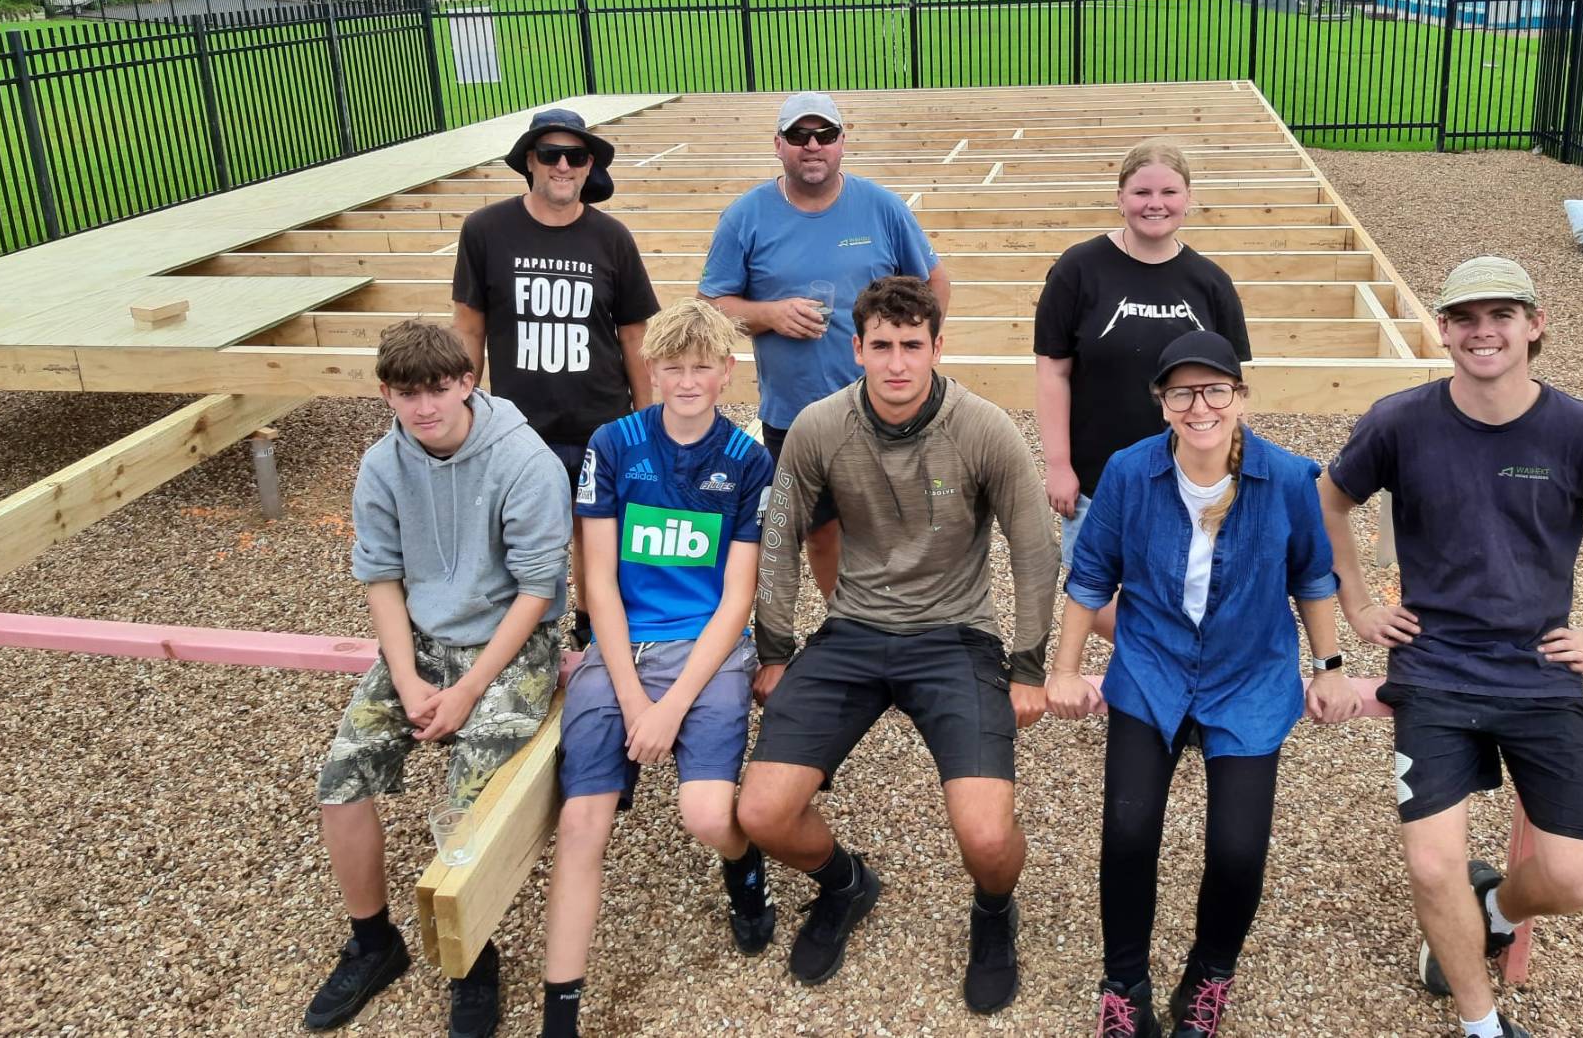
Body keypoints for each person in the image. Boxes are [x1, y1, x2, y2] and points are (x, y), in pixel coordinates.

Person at [1318, 256, 1583, 1038]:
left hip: (1539, 674)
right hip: (1436, 669)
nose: (1482, 332)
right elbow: (1328, 501)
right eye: (1464, 318)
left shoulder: (1580, 430)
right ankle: (1481, 1024)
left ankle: (1493, 908)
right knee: (1431, 864)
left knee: (1576, 880)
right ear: (1443, 330)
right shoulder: (1399, 422)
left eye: (1501, 316)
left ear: (1534, 325)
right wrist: (1358, 604)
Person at [736, 276, 1057, 1015]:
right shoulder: (820, 426)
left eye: (913, 345)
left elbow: (1035, 547)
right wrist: (776, 650)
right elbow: (779, 537)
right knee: (763, 814)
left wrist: (1029, 665)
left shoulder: (984, 429)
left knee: (986, 836)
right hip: (853, 630)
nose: (897, 362)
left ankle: (993, 912)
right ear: (857, 349)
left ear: (938, 347)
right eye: (881, 346)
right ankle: (846, 884)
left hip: (955, 636)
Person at [1048, 331, 1360, 1037]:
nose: (1200, 407)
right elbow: (1090, 576)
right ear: (1162, 404)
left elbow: (1313, 576)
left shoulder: (1286, 479)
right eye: (1183, 393)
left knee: (1238, 849)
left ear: (1240, 397)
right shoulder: (1130, 472)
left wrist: (1330, 668)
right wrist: (1064, 671)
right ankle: (1124, 984)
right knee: (1128, 831)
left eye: (1215, 389)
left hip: (1248, 676)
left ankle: (1210, 975)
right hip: (1153, 668)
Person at [306, 321, 570, 1037]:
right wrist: (406, 677)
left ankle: (472, 959)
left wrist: (468, 690)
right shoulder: (381, 466)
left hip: (513, 644)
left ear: (466, 383)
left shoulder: (525, 461)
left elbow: (536, 591)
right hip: (421, 641)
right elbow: (381, 578)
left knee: (467, 801)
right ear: (386, 394)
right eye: (407, 394)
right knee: (341, 779)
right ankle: (373, 942)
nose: (424, 407)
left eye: (438, 389)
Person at [540, 299, 778, 1038]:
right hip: (623, 646)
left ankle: (743, 867)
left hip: (706, 648)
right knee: (582, 820)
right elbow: (599, 583)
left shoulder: (747, 461)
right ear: (651, 368)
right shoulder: (614, 444)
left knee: (706, 814)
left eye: (701, 367)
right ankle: (560, 1011)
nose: (686, 381)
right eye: (672, 367)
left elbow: (736, 599)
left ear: (726, 372)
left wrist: (668, 708)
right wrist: (631, 694)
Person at [699, 90, 949, 606]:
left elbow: (934, 284)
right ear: (778, 145)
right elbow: (710, 306)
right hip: (796, 414)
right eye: (798, 136)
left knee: (899, 521)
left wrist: (918, 357)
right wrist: (768, 314)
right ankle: (849, 619)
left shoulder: (881, 207)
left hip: (887, 407)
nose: (812, 146)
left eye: (824, 135)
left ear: (842, 142)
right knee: (820, 529)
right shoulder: (746, 217)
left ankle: (906, 617)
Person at [452, 105, 660, 629]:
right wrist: (463, 408)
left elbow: (634, 334)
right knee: (522, 536)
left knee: (597, 534)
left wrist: (645, 420)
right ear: (529, 161)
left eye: (576, 156)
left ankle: (590, 630)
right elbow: (469, 328)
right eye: (550, 154)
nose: (563, 166)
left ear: (590, 166)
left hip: (600, 422)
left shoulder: (611, 238)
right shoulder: (485, 231)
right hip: (519, 425)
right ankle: (525, 634)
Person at [1034, 140, 1251, 612]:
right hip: (1097, 477)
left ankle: (1164, 655)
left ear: (1188, 198)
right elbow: (1053, 371)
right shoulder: (1078, 270)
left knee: (1186, 597)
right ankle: (1155, 652)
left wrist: (1234, 467)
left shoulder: (1210, 282)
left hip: (1191, 479)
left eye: (1169, 192)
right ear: (1120, 198)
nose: (1156, 204)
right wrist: (1058, 464)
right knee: (1095, 599)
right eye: (1141, 192)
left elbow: (1230, 392)